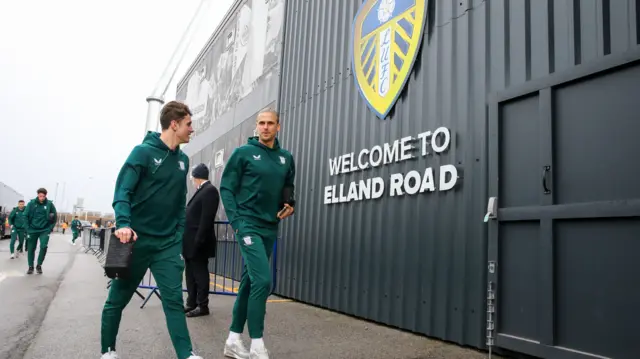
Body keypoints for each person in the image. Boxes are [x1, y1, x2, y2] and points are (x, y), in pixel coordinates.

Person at [100, 101, 203, 359]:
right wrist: (123, 223)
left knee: (173, 301)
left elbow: (180, 202)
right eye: (189, 124)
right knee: (117, 299)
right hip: (136, 241)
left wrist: (178, 233)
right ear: (174, 124)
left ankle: (186, 354)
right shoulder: (142, 153)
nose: (192, 129)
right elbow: (123, 190)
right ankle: (108, 351)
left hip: (167, 244)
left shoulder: (183, 160)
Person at [220, 108, 296, 359]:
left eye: (270, 123)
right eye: (261, 123)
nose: (265, 127)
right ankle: (257, 344)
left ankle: (232, 339)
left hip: (269, 226)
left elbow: (288, 185)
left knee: (250, 282)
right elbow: (226, 188)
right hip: (248, 225)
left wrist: (290, 203)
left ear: (278, 127)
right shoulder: (243, 154)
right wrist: (237, 223)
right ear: (256, 126)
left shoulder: (286, 158)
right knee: (263, 281)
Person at [183, 163, 220, 318]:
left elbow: (206, 219)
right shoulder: (202, 191)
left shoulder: (210, 191)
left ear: (196, 177)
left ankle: (202, 305)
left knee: (200, 274)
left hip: (199, 242)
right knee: (190, 274)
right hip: (190, 242)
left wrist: (198, 241)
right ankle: (191, 303)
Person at [25, 188, 57, 274]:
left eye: (43, 196)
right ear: (37, 195)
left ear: (45, 196)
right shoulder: (31, 204)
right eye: (40, 196)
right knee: (31, 248)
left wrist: (50, 228)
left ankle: (39, 265)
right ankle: (30, 266)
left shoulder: (49, 204)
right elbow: (25, 216)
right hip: (32, 229)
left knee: (43, 246)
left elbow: (54, 216)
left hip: (44, 230)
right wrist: (27, 228)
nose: (41, 198)